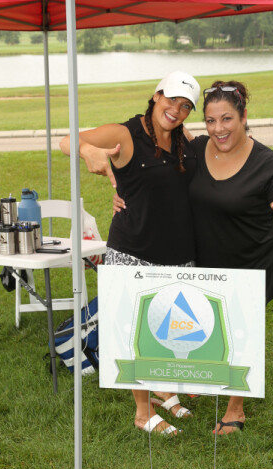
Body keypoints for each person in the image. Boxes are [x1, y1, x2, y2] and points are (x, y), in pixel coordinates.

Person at [113, 80, 273, 435]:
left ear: (244, 117)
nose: (219, 129)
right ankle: (173, 386)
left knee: (242, 330)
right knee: (200, 327)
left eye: (227, 119)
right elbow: (154, 166)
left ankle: (235, 408)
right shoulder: (196, 149)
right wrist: (121, 193)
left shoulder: (268, 164)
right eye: (210, 120)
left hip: (248, 261)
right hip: (202, 261)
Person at [60, 71, 201, 436]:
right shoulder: (126, 134)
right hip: (134, 250)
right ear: (156, 96)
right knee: (133, 330)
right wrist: (88, 150)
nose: (177, 109)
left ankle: (163, 388)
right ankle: (142, 412)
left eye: (186, 106)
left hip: (179, 252)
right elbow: (66, 140)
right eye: (172, 100)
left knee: (170, 328)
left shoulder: (182, 138)